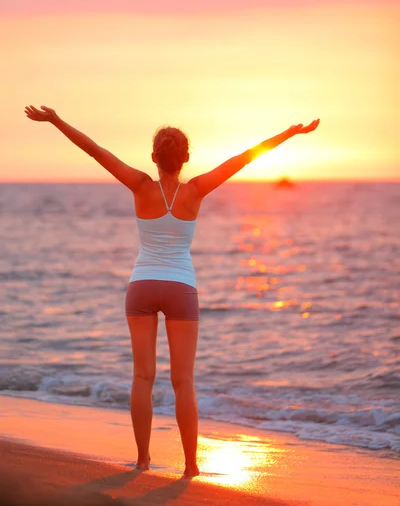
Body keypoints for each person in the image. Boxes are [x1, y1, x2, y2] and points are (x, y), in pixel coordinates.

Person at [24, 104, 320, 477]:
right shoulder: (196, 190)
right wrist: (289, 134)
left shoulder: (140, 185)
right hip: (181, 289)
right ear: (186, 158)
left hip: (142, 287)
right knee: (183, 382)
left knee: (142, 377)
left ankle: (143, 460)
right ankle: (191, 466)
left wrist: (55, 120)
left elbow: (96, 152)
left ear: (153, 157)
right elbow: (243, 159)